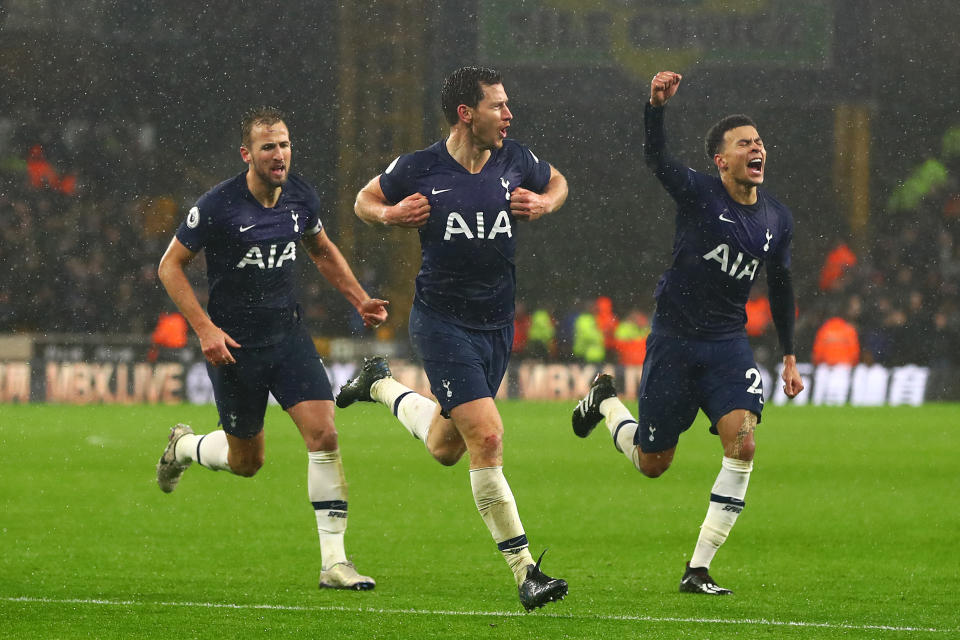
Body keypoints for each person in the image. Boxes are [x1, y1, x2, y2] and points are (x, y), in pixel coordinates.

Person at [337, 66, 569, 611]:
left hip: (495, 326)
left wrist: (544, 204)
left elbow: (558, 182)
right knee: (486, 436)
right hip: (442, 322)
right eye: (499, 106)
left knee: (447, 445)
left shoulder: (517, 160)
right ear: (467, 113)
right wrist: (391, 214)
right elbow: (362, 201)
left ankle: (379, 386)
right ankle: (526, 571)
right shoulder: (419, 167)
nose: (509, 115)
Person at [571, 71, 804, 595]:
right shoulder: (699, 193)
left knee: (742, 446)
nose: (757, 148)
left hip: (727, 345)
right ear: (721, 161)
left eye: (760, 142)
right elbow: (656, 161)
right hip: (674, 342)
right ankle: (605, 403)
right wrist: (655, 108)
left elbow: (783, 285)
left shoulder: (777, 219)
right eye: (744, 143)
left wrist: (789, 355)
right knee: (653, 462)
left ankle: (697, 568)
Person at [155, 107, 389, 591]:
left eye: (283, 144)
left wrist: (359, 299)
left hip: (288, 338)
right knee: (248, 462)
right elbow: (170, 267)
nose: (279, 154)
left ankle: (334, 563)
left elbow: (320, 249)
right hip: (235, 348)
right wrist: (205, 329)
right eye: (268, 147)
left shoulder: (301, 195)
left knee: (324, 434)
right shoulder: (218, 205)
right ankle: (184, 446)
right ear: (248, 154)